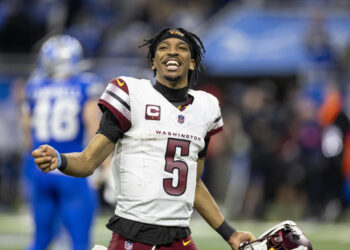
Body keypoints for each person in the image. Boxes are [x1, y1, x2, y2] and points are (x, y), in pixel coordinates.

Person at [32, 28, 256, 250]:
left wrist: (231, 233)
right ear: (153, 62)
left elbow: (194, 184)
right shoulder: (131, 94)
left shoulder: (205, 108)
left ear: (192, 62)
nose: (172, 52)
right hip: (135, 236)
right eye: (163, 48)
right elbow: (88, 161)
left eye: (181, 48)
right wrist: (60, 159)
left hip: (180, 239)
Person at [23, 35, 103, 250]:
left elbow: (27, 132)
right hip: (72, 166)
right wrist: (102, 166)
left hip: (40, 168)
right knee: (79, 241)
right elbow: (94, 126)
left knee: (41, 240)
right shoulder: (85, 84)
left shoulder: (34, 86)